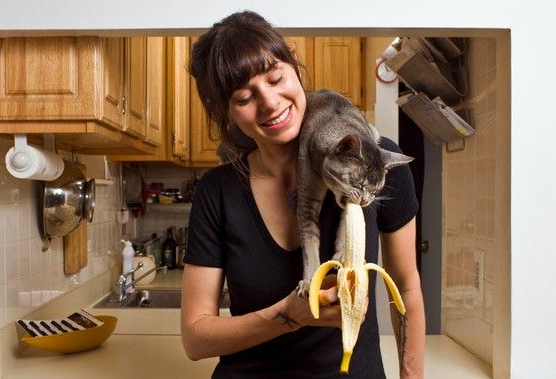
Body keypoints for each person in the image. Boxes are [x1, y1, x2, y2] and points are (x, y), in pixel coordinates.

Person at [181, 10, 425, 378]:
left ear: (295, 64)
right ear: (225, 111)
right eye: (245, 97)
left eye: (276, 78)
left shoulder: (375, 162)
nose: (270, 102)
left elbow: (405, 287)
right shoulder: (218, 192)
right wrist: (290, 316)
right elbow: (195, 338)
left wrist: (412, 375)